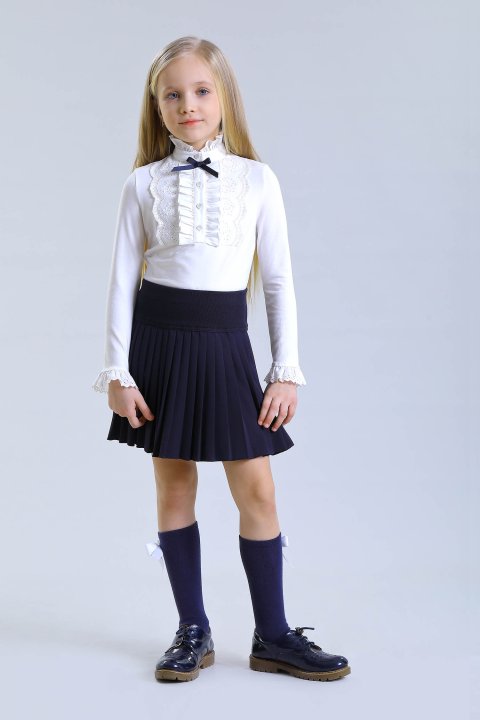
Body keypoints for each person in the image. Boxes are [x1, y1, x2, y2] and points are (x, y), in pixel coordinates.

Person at [92, 35, 350, 683]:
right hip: (159, 344)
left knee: (256, 487)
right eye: (172, 95)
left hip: (226, 343)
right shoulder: (142, 184)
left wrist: (285, 370)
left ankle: (274, 635)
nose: (188, 105)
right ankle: (193, 630)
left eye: (202, 91)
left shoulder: (257, 179)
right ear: (156, 107)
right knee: (174, 484)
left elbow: (278, 281)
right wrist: (118, 372)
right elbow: (121, 283)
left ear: (225, 98)